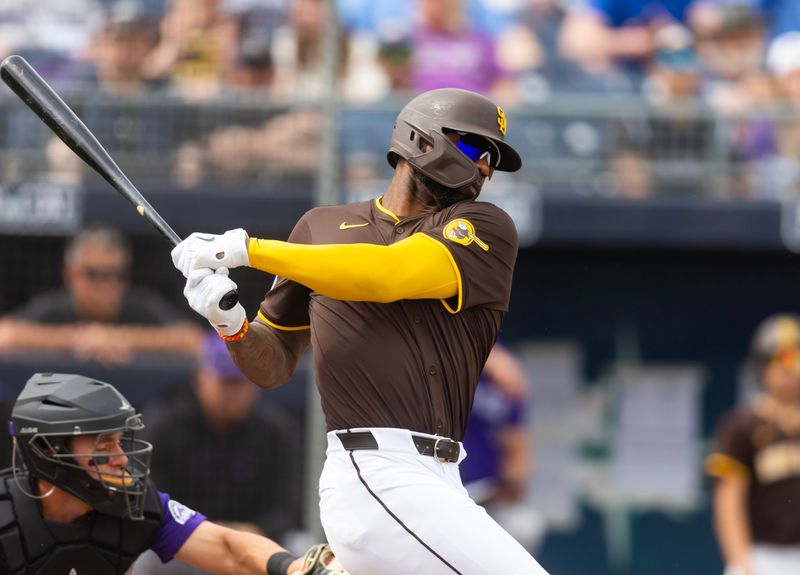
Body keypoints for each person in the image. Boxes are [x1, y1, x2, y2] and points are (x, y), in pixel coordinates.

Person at [171, 88, 548, 574]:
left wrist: (247, 250)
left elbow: (386, 274)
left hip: (441, 477)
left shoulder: (485, 226)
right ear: (422, 138)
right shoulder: (320, 229)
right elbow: (273, 363)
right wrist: (230, 323)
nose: (485, 168)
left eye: (492, 158)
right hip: (374, 472)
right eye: (476, 148)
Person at [2, 372, 346, 575]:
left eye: (120, 443)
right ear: (48, 450)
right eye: (103, 447)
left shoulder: (131, 504)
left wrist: (291, 567)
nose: (121, 460)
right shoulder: (7, 517)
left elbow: (227, 547)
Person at [141, 331, 302, 543]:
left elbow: (290, 509)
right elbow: (149, 502)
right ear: (200, 378)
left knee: (301, 546)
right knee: (146, 555)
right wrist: (199, 530)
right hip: (183, 542)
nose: (235, 393)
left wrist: (253, 529)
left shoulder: (275, 431)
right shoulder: (167, 425)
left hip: (253, 542)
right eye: (226, 382)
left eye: (242, 382)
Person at [0, 226, 203, 364]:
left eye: (115, 274)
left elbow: (194, 341)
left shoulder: (138, 304)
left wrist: (117, 337)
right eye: (95, 274)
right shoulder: (57, 305)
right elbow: (5, 335)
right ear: (71, 275)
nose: (107, 284)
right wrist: (78, 337)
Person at [706, 314, 800, 575]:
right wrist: (740, 561)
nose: (789, 369)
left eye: (796, 359)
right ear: (762, 368)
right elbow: (729, 499)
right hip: (762, 556)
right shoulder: (742, 426)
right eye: (780, 360)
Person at [460, 343, 545, 553]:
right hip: (433, 480)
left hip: (483, 489)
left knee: (524, 526)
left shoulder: (505, 378)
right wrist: (490, 357)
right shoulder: (443, 360)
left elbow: (517, 448)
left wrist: (510, 488)